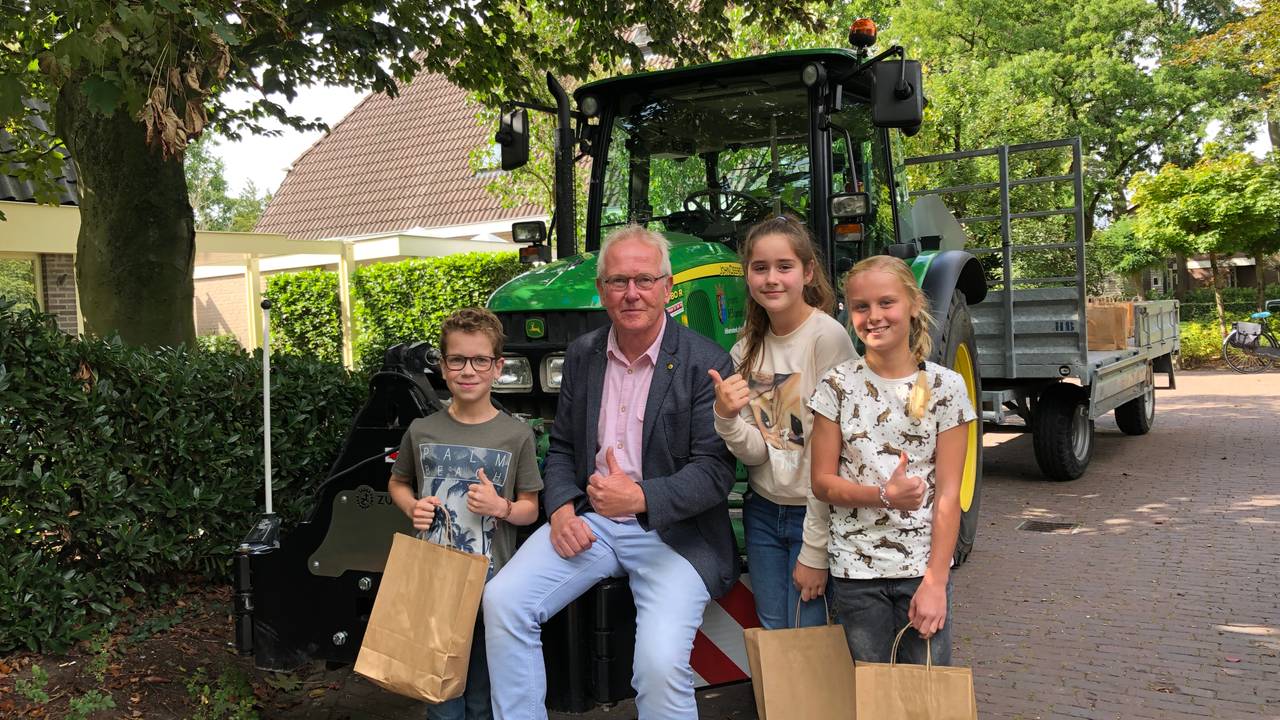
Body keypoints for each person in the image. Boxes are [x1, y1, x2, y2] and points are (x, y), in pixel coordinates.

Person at [483, 225, 737, 720]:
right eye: (619, 281)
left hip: (674, 534)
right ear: (602, 291)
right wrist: (558, 509)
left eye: (645, 280)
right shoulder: (583, 355)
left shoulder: (705, 362)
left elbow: (714, 474)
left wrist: (640, 498)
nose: (632, 293)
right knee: (504, 603)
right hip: (591, 525)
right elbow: (562, 447)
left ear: (667, 286)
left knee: (659, 669)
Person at [807, 255, 976, 665]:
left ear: (913, 304)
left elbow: (949, 497)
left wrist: (936, 580)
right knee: (873, 692)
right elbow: (822, 483)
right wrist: (884, 495)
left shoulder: (946, 387)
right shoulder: (837, 385)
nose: (874, 317)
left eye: (887, 303)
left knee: (927, 693)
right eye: (862, 307)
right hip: (855, 572)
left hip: (921, 569)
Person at [387, 307, 543, 720]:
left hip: (492, 591)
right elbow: (399, 482)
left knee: (483, 699)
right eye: (457, 359)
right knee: (440, 702)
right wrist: (412, 507)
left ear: (498, 367)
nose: (468, 370)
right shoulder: (422, 431)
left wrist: (502, 507)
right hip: (434, 586)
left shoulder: (516, 435)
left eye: (480, 360)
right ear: (442, 365)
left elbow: (531, 508)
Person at [708, 216, 857, 629]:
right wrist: (725, 418)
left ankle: (813, 699)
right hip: (764, 512)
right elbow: (759, 451)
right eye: (760, 268)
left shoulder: (826, 339)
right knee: (774, 627)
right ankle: (778, 699)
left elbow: (837, 452)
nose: (771, 278)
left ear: (808, 273)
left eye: (784, 267)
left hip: (814, 513)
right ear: (748, 276)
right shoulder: (744, 350)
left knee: (810, 629)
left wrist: (815, 548)